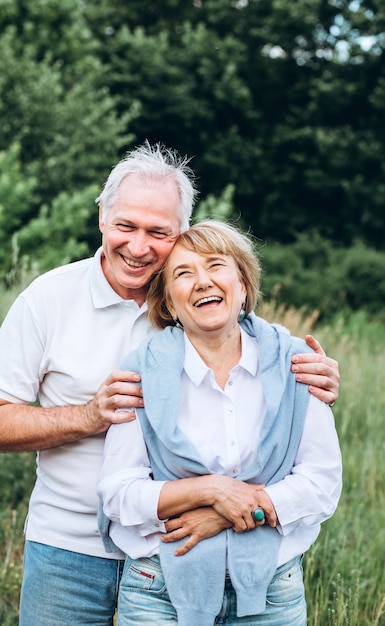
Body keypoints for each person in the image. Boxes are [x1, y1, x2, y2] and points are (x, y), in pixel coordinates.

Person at [0, 143, 339, 626]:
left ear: (181, 233)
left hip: (189, 548)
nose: (139, 246)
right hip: (69, 549)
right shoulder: (48, 299)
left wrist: (320, 374)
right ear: (102, 216)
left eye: (158, 232)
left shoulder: (199, 302)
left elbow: (264, 363)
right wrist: (89, 415)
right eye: (126, 226)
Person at [97, 220, 342, 626]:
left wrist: (227, 512)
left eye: (215, 266)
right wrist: (211, 489)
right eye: (183, 273)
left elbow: (322, 483)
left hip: (271, 592)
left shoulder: (297, 363)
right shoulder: (141, 372)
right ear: (169, 304)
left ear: (243, 285)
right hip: (159, 588)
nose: (202, 282)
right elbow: (119, 493)